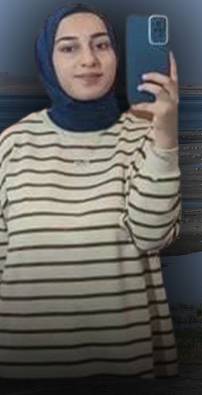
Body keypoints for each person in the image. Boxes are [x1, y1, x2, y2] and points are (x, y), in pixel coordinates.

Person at [0, 5, 180, 378]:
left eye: (101, 45)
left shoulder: (145, 137)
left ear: (117, 53)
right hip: (23, 364)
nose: (89, 60)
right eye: (69, 48)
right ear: (47, 59)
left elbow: (152, 236)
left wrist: (165, 137)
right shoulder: (13, 144)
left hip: (122, 362)